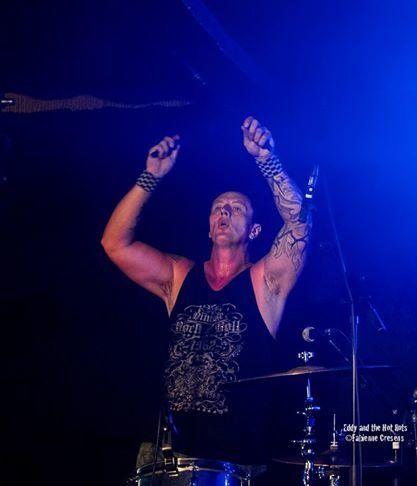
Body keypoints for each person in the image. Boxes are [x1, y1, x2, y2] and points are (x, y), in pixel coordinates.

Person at [101, 116, 311, 470]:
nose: (224, 211)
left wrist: (267, 160)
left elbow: (300, 223)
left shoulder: (265, 281)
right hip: (174, 458)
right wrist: (151, 176)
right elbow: (115, 243)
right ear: (209, 227)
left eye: (236, 208)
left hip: (236, 464)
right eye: (217, 208)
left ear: (255, 230)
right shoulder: (179, 275)